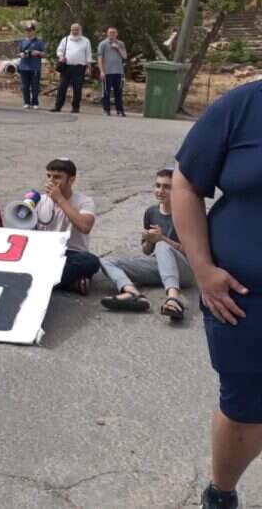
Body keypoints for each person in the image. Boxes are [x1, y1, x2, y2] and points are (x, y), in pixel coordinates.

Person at [172, 80, 262, 509]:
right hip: (246, 300)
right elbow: (185, 183)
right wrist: (203, 269)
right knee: (246, 406)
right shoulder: (243, 105)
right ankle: (221, 493)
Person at [100, 168, 192, 318]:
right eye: (158, 185)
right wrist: (149, 240)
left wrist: (162, 239)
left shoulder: (186, 213)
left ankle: (173, 298)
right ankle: (132, 293)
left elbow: (193, 253)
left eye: (166, 187)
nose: (160, 191)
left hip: (185, 271)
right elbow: (147, 251)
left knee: (162, 246)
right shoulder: (151, 212)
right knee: (106, 261)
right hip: (159, 267)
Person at [35, 158, 99, 294]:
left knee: (91, 261)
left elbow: (85, 227)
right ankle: (69, 284)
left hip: (71, 253)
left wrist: (60, 199)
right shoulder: (39, 200)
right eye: (49, 176)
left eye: (57, 177)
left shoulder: (85, 202)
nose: (51, 181)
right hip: (44, 252)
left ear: (71, 180)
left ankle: (40, 281)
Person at [52, 23, 92, 113]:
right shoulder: (66, 39)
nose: (74, 31)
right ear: (71, 30)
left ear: (80, 30)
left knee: (77, 88)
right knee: (62, 87)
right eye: (73, 29)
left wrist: (89, 68)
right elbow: (59, 50)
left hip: (79, 68)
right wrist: (61, 56)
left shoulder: (86, 41)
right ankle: (58, 106)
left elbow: (88, 55)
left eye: (76, 29)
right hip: (66, 67)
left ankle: (75, 107)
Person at [97, 27, 128, 117]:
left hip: (118, 72)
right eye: (110, 32)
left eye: (114, 33)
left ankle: (120, 110)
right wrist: (101, 71)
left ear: (117, 34)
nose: (112, 34)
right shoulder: (103, 44)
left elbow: (125, 56)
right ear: (107, 33)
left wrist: (118, 48)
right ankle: (106, 110)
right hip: (107, 72)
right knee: (106, 92)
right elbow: (100, 58)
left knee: (118, 92)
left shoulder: (121, 43)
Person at [18, 24, 46, 109]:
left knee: (35, 86)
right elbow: (18, 53)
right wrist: (21, 54)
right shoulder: (22, 42)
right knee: (25, 86)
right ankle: (26, 102)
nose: (28, 32)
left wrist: (38, 53)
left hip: (35, 67)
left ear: (34, 31)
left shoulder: (39, 42)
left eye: (30, 31)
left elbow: (45, 54)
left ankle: (35, 102)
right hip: (24, 67)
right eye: (27, 31)